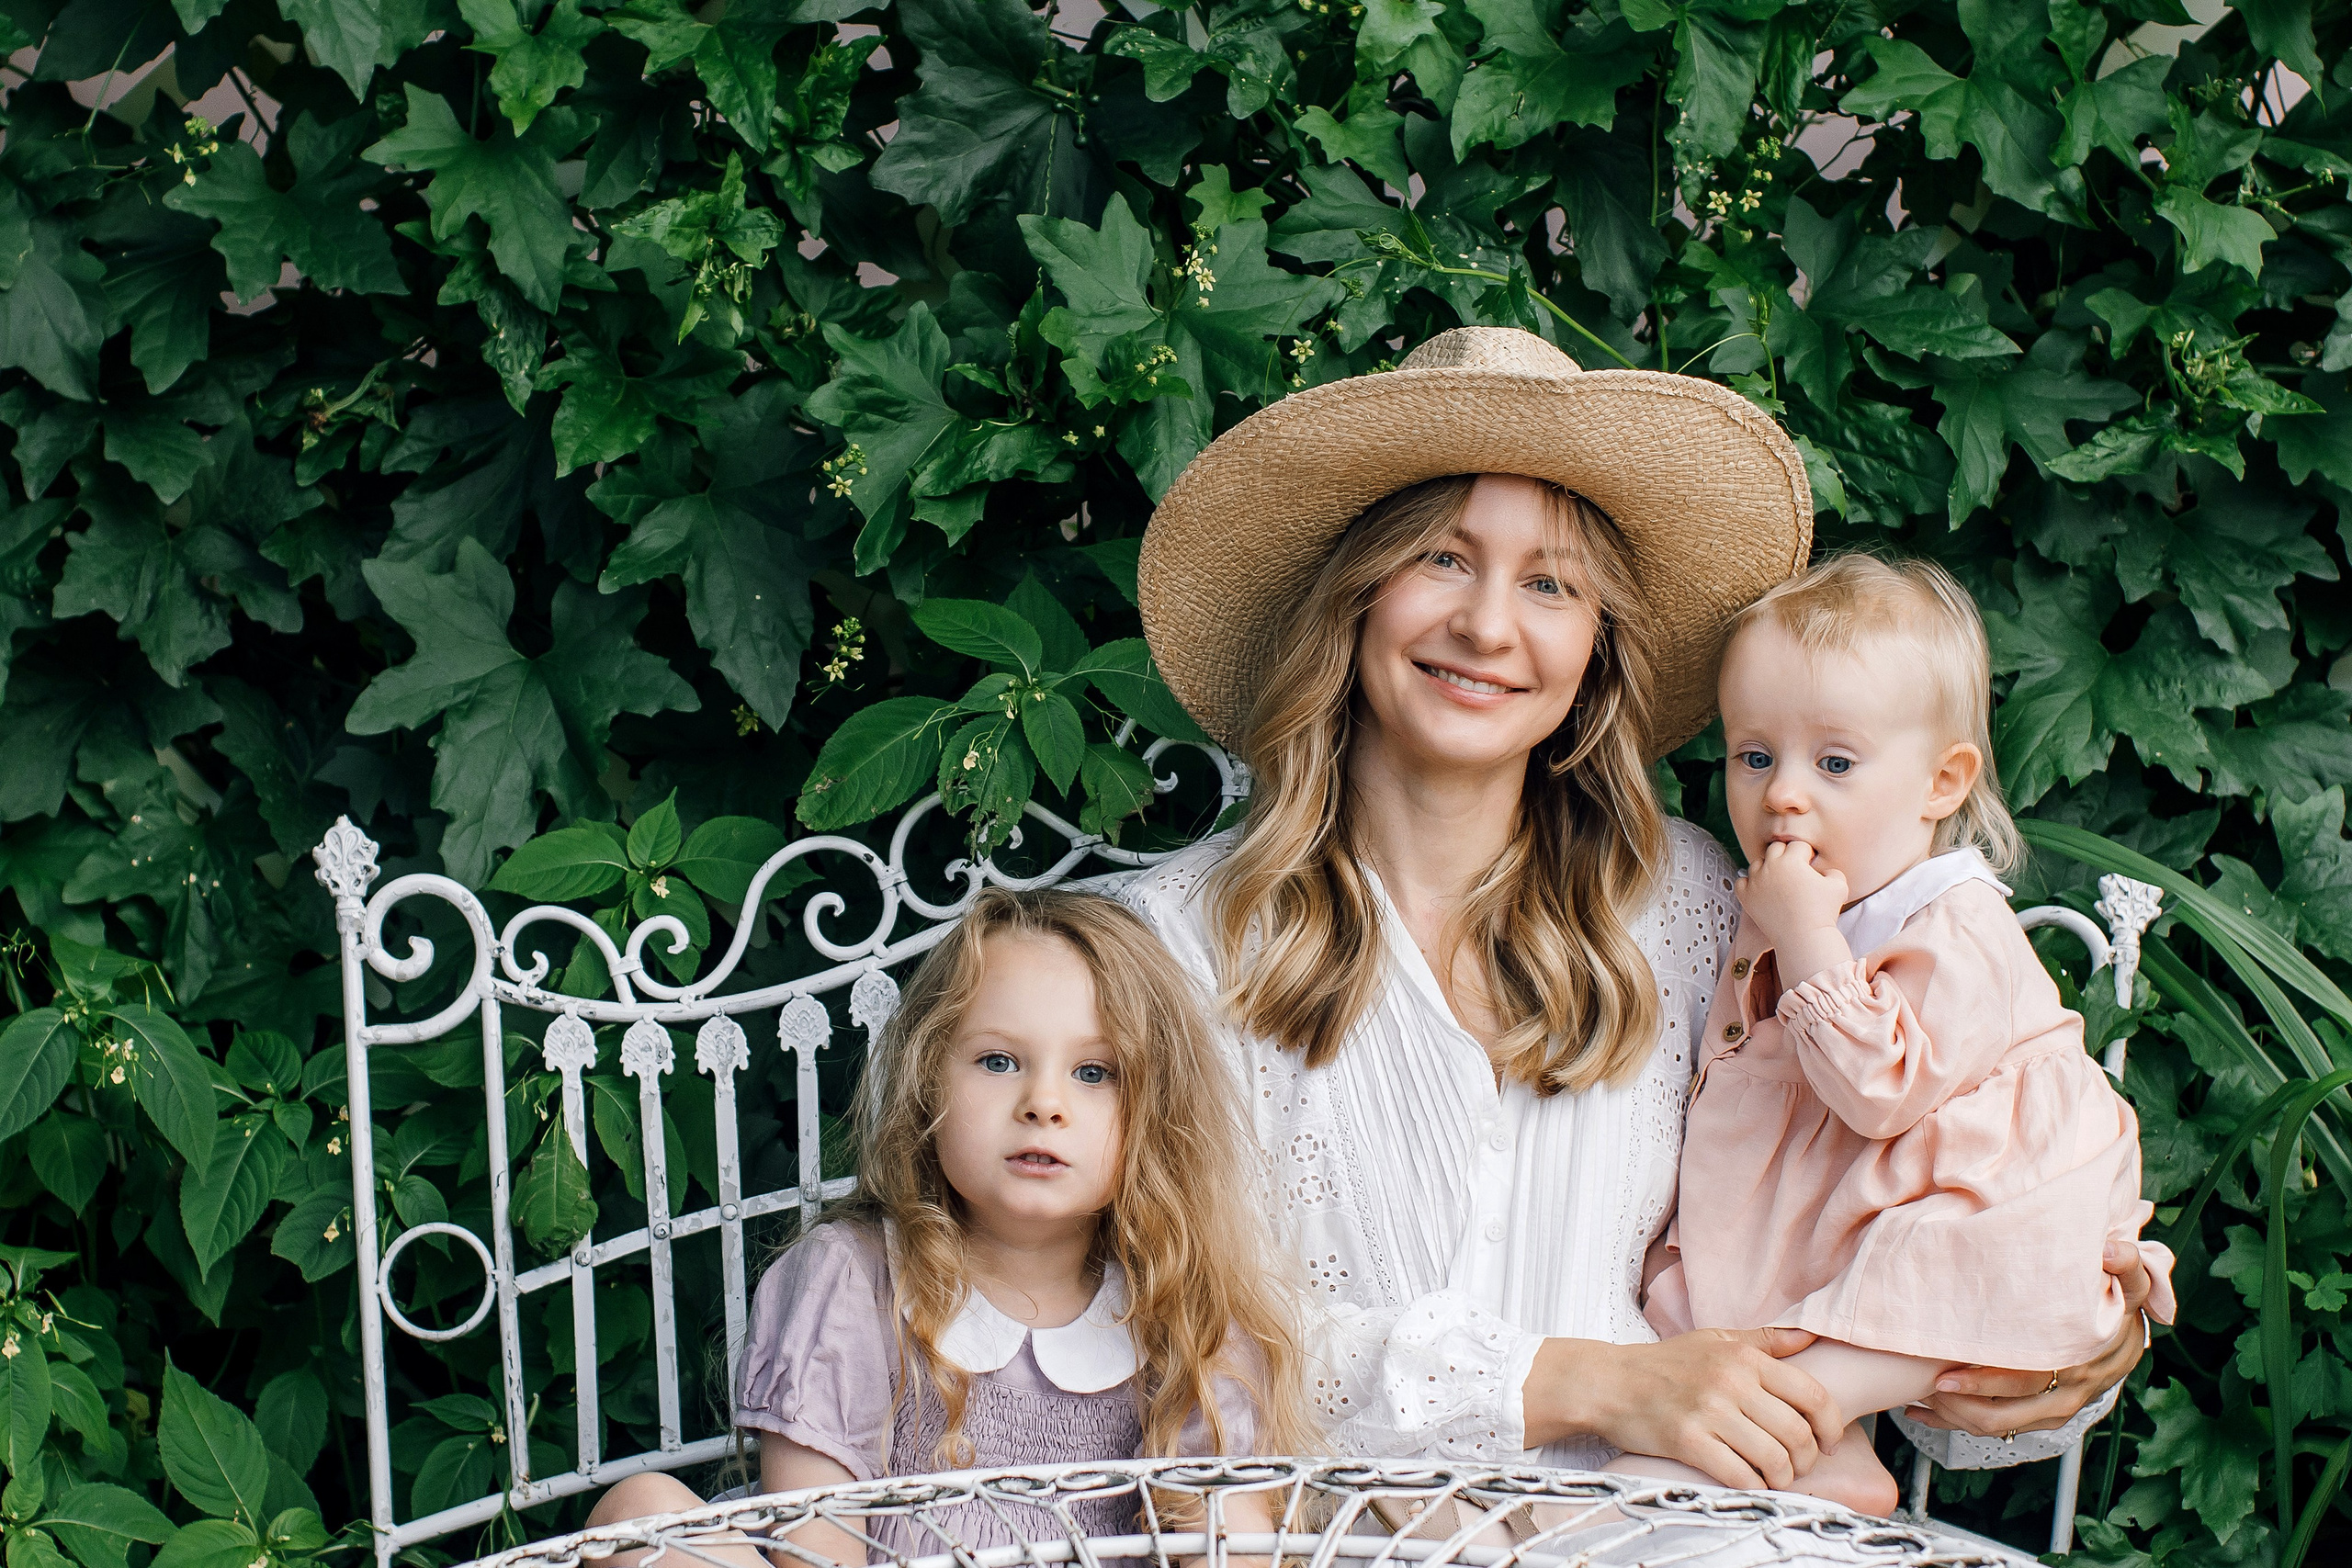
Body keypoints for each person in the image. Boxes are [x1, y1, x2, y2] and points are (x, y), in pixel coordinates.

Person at [1120, 325, 2156, 1497]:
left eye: (1550, 583)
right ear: (1353, 599)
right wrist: (1591, 1384)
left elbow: (1879, 1220)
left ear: (1597, 645)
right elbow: (1130, 1346)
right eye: (1441, 560)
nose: (1488, 627)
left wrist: (2057, 1347)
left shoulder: (1710, 913)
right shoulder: (1171, 946)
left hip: (1678, 1525)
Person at [1614, 555, 2177, 1512]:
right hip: (1868, 1184)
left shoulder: (1958, 923)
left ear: (1940, 782)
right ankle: (1821, 1448)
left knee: (1927, 1263)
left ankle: (1803, 1420)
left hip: (1996, 1191)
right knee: (1718, 1282)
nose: (1784, 794)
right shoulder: (1791, 903)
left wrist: (1804, 937)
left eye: (1834, 763)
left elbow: (1882, 1091)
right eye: (1755, 755)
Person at [587, 887, 1311, 1561]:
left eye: (1094, 1072)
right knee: (642, 1508)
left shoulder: (1183, 1305)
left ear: (1157, 1108)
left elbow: (1233, 1542)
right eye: (998, 1060)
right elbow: (813, 1548)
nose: (1044, 1102)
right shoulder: (855, 1280)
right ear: (927, 1081)